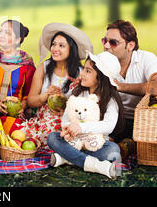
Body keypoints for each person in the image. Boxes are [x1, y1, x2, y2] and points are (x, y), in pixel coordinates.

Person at [47, 51, 125, 179]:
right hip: (74, 141)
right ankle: (95, 165)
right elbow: (65, 120)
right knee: (52, 138)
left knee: (113, 150)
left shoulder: (110, 100)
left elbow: (108, 126)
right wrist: (69, 129)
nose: (82, 74)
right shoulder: (78, 94)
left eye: (88, 71)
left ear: (100, 78)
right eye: (84, 69)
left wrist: (82, 127)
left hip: (95, 144)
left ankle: (67, 158)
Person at [21, 23, 93, 148]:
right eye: (54, 44)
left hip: (68, 120)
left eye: (61, 45)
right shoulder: (43, 67)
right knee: (21, 132)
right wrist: (45, 95)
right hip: (42, 119)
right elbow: (31, 101)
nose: (55, 48)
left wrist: (67, 108)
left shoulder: (81, 73)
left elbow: (87, 105)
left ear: (71, 49)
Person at [102, 20, 157, 142]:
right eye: (104, 41)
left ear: (130, 46)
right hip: (113, 119)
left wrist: (119, 86)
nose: (106, 46)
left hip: (145, 121)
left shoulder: (147, 58)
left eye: (113, 43)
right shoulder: (101, 62)